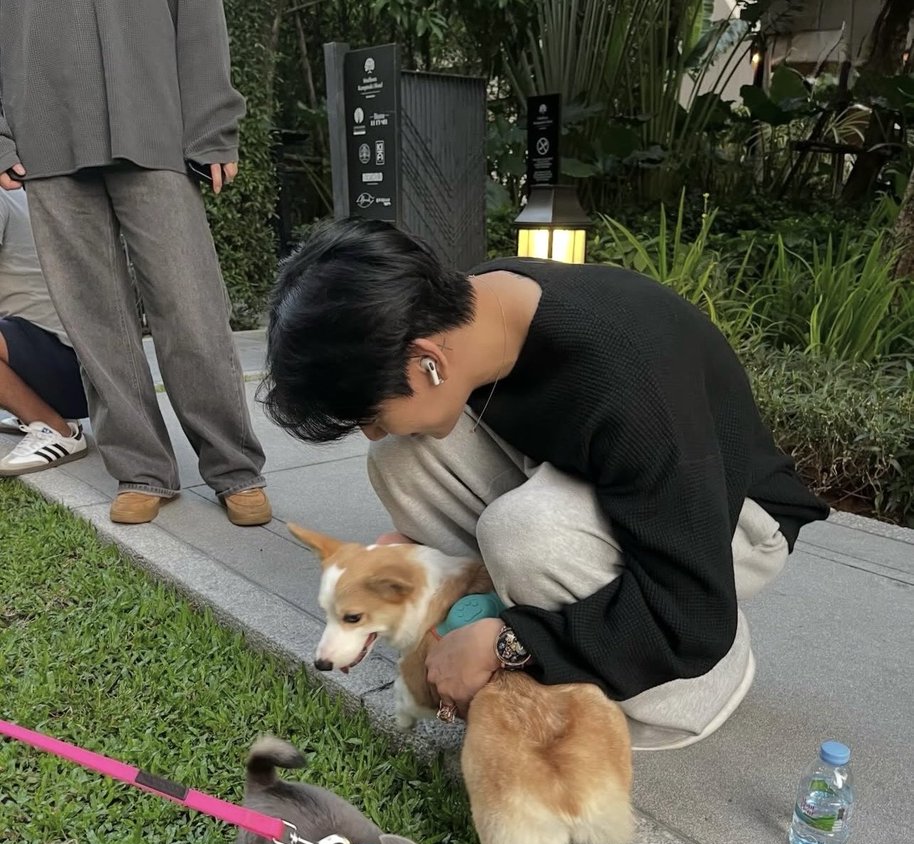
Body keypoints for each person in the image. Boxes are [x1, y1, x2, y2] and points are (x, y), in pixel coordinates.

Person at [262, 218, 829, 751]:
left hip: (731, 522)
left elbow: (695, 615)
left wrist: (511, 642)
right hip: (613, 478)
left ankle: (699, 688)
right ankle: (523, 611)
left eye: (369, 413)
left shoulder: (631, 378)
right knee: (398, 456)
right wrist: (418, 561)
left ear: (427, 362)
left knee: (525, 533)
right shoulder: (475, 311)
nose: (370, 430)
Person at [0, 0, 271, 526]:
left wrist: (213, 126)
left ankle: (234, 467)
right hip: (43, 137)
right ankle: (141, 469)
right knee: (92, 319)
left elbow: (198, 19)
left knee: (189, 304)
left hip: (152, 124)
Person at [0, 188, 89, 476]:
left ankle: (56, 429)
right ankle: (36, 407)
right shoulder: (12, 191)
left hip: (72, 374)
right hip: (80, 368)